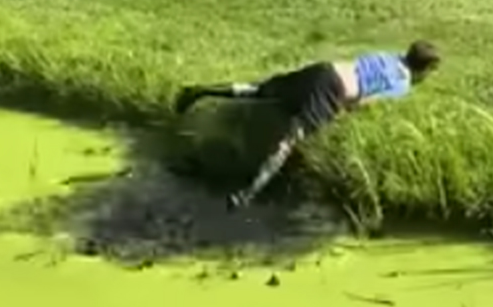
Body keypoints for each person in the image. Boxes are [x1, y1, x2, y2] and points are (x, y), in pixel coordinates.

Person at [172, 40, 441, 212]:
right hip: (334, 91)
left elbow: (364, 67)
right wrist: (339, 114)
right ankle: (246, 195)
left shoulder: (388, 55)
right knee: (290, 140)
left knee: (259, 90)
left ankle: (198, 92)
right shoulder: (402, 84)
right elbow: (365, 101)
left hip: (324, 71)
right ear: (425, 70)